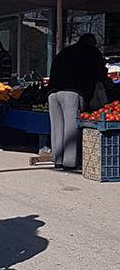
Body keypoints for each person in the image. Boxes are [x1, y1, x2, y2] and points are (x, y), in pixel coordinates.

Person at [48, 34, 109, 171]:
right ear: (92, 43)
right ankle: (69, 163)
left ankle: (57, 160)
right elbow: (100, 74)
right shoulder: (92, 52)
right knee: (71, 129)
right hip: (72, 91)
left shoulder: (65, 51)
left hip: (53, 93)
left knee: (57, 127)